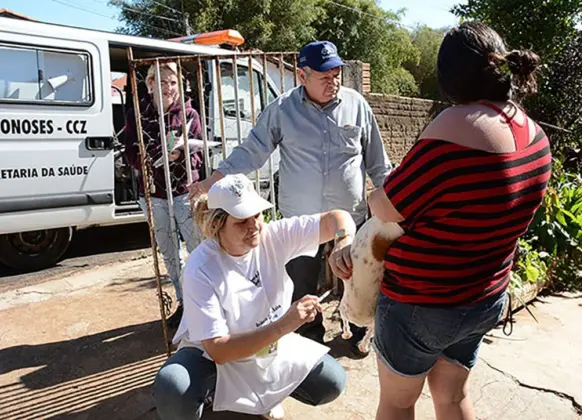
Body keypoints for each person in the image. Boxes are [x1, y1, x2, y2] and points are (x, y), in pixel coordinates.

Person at [362, 22, 552, 419]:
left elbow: (388, 206)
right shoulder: (535, 135)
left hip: (422, 300)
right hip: (483, 296)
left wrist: (376, 192)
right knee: (451, 397)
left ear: (449, 77)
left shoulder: (455, 128)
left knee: (397, 403)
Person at [188, 40, 392, 356]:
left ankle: (358, 333)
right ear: (301, 76)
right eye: (324, 75)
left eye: (336, 72)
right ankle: (309, 338)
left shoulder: (357, 105)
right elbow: (252, 151)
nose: (333, 80)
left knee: (358, 278)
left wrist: (393, 202)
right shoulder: (282, 110)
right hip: (301, 219)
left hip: (349, 218)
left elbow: (379, 163)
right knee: (301, 284)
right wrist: (213, 180)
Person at [152, 173, 354, 420]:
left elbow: (336, 218)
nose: (255, 226)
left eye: (257, 214)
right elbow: (219, 351)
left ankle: (265, 396)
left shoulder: (272, 235)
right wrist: (286, 324)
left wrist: (343, 241)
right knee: (173, 385)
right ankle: (215, 395)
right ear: (217, 225)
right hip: (217, 356)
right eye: (241, 221)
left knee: (332, 381)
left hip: (268, 345)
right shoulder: (200, 267)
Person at [124, 61, 203, 329]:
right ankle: (184, 304)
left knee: (198, 248)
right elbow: (129, 151)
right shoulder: (138, 115)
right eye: (162, 82)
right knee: (170, 253)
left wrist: (180, 154)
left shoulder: (189, 113)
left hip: (184, 191)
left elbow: (200, 150)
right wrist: (147, 158)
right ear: (150, 85)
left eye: (173, 82)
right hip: (155, 193)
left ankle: (204, 301)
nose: (168, 88)